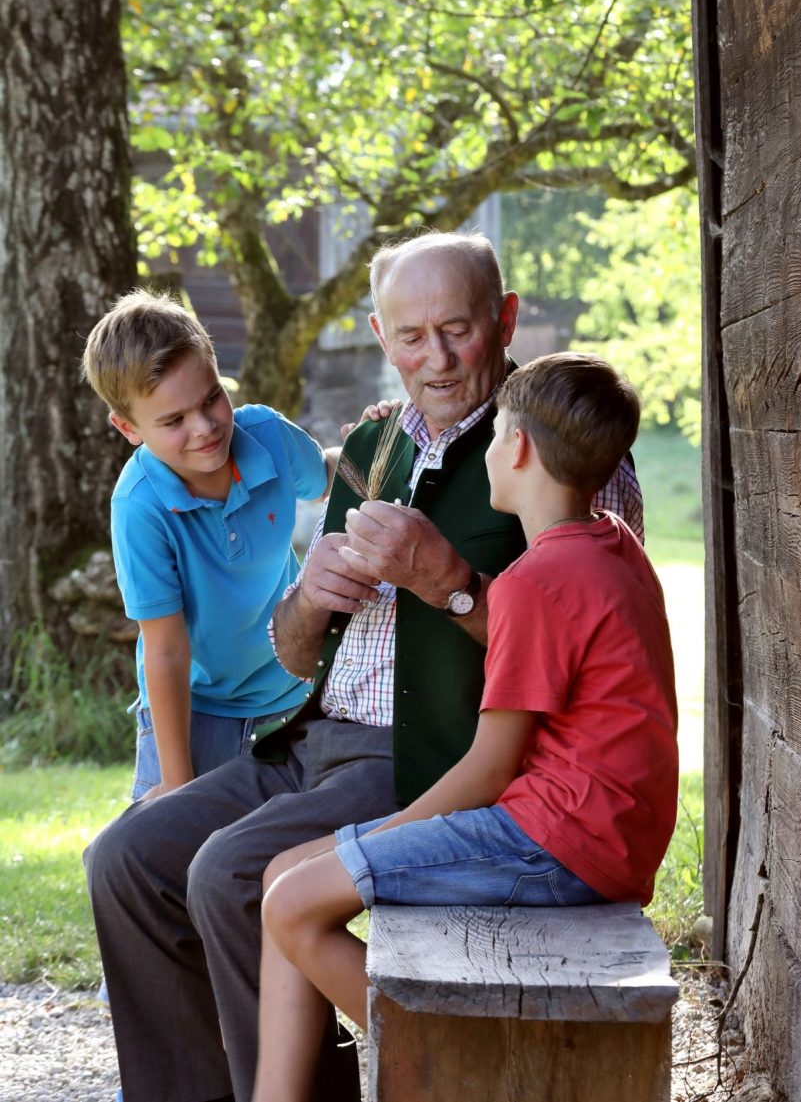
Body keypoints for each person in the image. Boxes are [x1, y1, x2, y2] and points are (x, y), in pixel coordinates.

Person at [84, 235, 644, 1102]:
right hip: (308, 739)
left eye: (456, 329)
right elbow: (294, 652)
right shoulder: (372, 443)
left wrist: (449, 581)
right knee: (125, 858)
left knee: (227, 872)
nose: (438, 357)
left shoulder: (552, 445)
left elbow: (588, 654)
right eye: (411, 336)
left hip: (424, 755)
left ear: (503, 319)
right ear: (381, 336)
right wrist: (308, 599)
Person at [252, 353, 679, 1102]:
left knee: (292, 903)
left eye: (492, 436)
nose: (484, 452)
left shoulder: (534, 581)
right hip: (596, 832)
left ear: (514, 447)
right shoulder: (612, 545)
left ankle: (450, 1077)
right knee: (283, 876)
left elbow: (489, 767)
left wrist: (381, 837)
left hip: (557, 843)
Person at [81, 290, 334, 799]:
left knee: (261, 859)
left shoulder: (268, 435)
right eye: (173, 421)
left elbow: (328, 476)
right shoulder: (139, 506)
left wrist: (371, 440)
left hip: (289, 695)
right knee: (159, 851)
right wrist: (178, 783)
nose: (205, 428)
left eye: (212, 398)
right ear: (128, 428)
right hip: (192, 708)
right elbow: (167, 649)